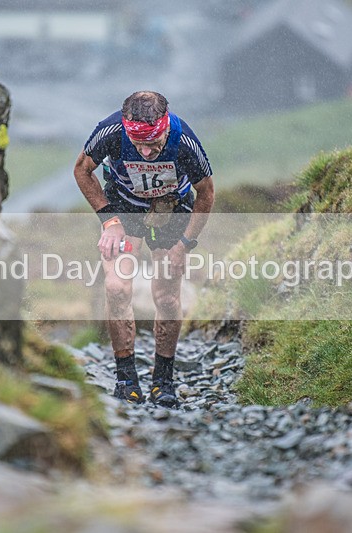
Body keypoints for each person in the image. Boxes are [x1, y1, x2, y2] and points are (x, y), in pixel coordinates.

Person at [73, 91, 214, 407]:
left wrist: (185, 244)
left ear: (165, 127)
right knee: (117, 288)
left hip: (172, 210)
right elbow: (82, 170)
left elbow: (206, 194)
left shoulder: (184, 141)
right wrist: (109, 221)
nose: (147, 153)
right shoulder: (111, 132)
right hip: (124, 208)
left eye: (154, 144)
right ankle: (126, 380)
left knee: (165, 296)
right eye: (139, 146)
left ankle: (163, 381)